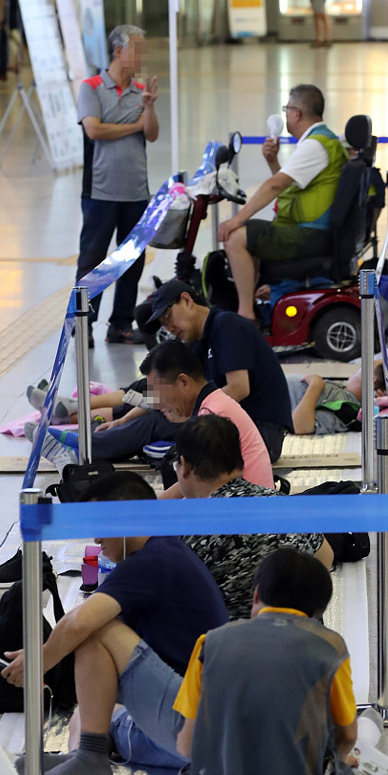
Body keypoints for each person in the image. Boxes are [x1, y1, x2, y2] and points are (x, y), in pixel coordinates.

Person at [2, 471, 228, 775]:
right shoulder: (165, 551)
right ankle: (86, 754)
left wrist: (39, 661)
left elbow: (80, 622)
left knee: (96, 629)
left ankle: (89, 758)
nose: (96, 539)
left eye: (102, 524)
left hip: (191, 730)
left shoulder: (151, 561)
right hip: (204, 723)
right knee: (89, 712)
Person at [171, 548, 375, 775]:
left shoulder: (210, 643)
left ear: (256, 596)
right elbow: (348, 737)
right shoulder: (330, 646)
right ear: (317, 613)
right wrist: (339, 760)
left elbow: (186, 746)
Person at [175, 414, 333, 619]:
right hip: (305, 637)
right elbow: (326, 556)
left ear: (185, 465)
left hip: (234, 645)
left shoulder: (190, 531)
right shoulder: (287, 504)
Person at [216, 85, 346, 321]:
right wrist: (273, 161)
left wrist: (235, 219)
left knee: (235, 237)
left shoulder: (314, 146)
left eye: (287, 110)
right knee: (251, 235)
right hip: (311, 230)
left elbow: (275, 186)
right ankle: (253, 305)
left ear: (296, 113)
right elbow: (294, 187)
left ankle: (245, 315)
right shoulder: (322, 141)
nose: (285, 115)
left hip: (309, 234)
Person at [145, 280, 292, 460]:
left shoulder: (227, 325)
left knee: (158, 425)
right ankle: (108, 432)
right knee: (157, 418)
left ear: (187, 300)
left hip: (261, 436)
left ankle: (102, 443)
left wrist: (192, 417)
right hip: (239, 429)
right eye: (164, 325)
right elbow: (165, 389)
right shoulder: (200, 342)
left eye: (168, 317)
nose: (170, 328)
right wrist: (122, 416)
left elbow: (239, 388)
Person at [77, 25, 159, 345]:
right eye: (136, 50)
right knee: (93, 259)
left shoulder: (141, 91)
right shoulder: (92, 87)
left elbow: (151, 134)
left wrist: (148, 108)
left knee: (131, 261)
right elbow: (94, 131)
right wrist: (132, 125)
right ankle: (83, 323)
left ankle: (121, 325)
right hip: (101, 191)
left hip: (136, 191)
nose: (141, 57)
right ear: (118, 52)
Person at [139, 340, 274, 492]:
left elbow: (199, 486)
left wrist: (156, 508)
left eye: (159, 393)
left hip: (244, 506)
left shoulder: (213, 416)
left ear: (184, 382)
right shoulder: (214, 404)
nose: (159, 403)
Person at [287, 357, 388, 435]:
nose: (358, 369)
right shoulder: (346, 392)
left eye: (364, 367)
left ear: (372, 379)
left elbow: (300, 427)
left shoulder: (345, 408)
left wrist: (315, 385)